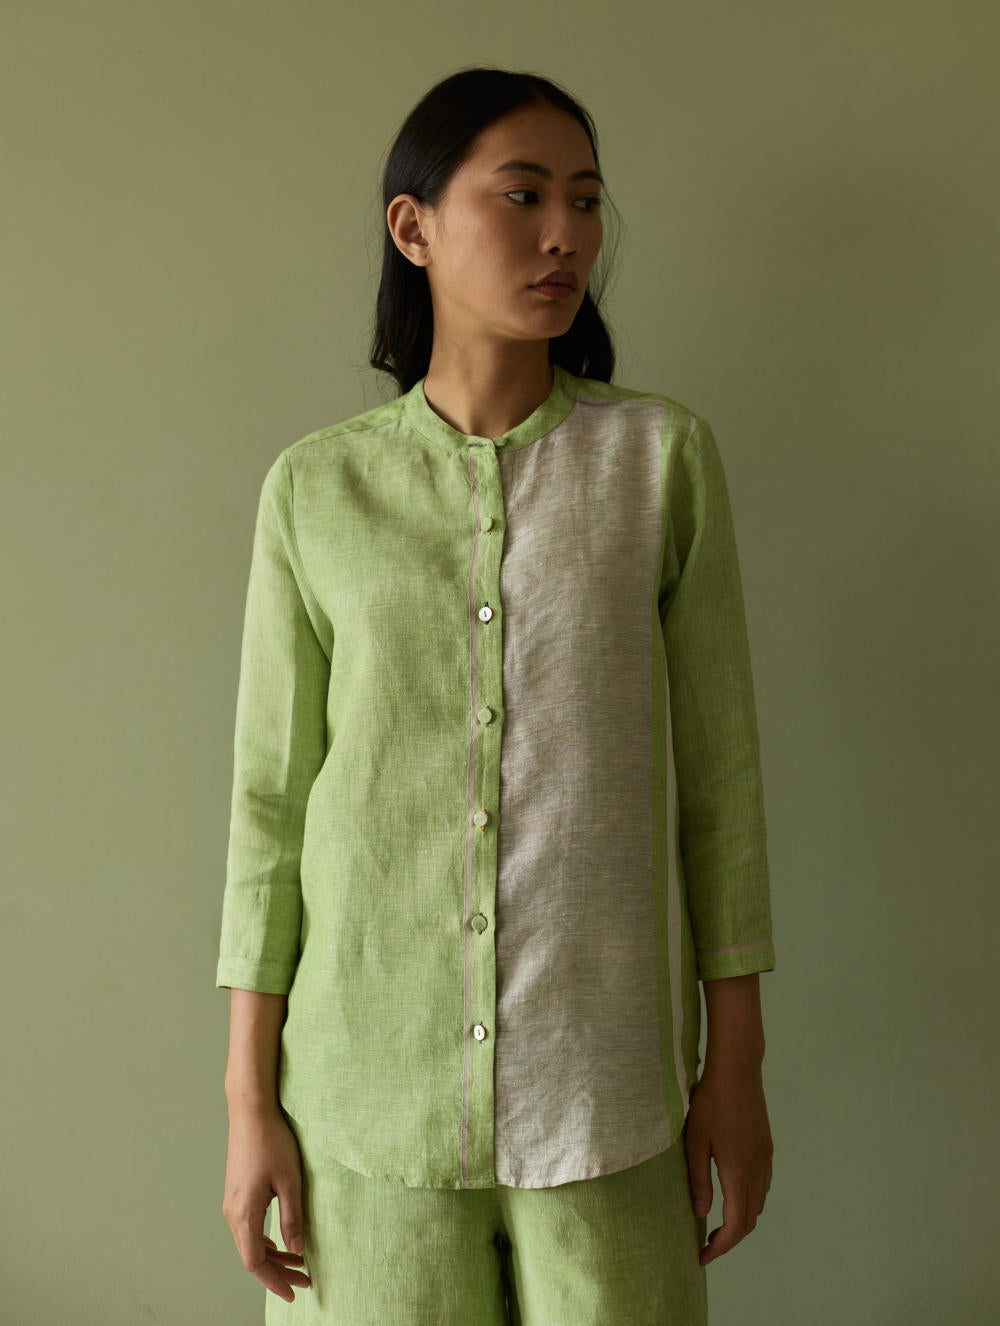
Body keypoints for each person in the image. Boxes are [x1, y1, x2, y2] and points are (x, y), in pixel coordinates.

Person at [218, 65, 776, 1326]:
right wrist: (250, 1105)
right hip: (365, 1107)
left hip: (605, 1098)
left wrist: (733, 1068)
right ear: (412, 227)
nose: (565, 233)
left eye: (584, 200)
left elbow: (722, 794)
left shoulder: (659, 463)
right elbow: (271, 812)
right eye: (522, 195)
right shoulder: (316, 490)